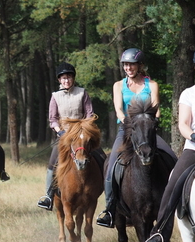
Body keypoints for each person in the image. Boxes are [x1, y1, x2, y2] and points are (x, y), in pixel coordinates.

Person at [143, 44, 195, 242]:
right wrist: (194, 135)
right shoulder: (189, 94)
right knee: (173, 183)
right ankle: (159, 235)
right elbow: (184, 124)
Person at [96, 48, 177, 228]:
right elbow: (118, 109)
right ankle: (110, 209)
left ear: (140, 65)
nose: (128, 67)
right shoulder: (118, 85)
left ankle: (177, 201)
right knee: (112, 165)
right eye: (126, 64)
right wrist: (128, 124)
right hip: (125, 131)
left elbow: (156, 109)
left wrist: (151, 122)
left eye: (132, 64)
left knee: (171, 157)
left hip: (148, 131)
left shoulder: (151, 85)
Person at [36, 62, 94, 210]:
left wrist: (85, 128)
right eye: (63, 78)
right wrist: (59, 131)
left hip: (82, 134)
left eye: (69, 77)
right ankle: (48, 196)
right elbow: (53, 118)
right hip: (64, 136)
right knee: (52, 163)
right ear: (59, 80)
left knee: (101, 158)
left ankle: (106, 194)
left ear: (73, 78)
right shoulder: (55, 96)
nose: (66, 80)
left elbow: (89, 114)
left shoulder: (82, 93)